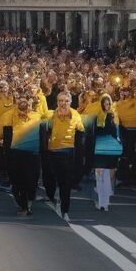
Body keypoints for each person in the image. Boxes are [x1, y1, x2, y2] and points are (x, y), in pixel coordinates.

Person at [0, 92, 45, 216]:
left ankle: (27, 205)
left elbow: (42, 135)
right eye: (19, 98)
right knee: (17, 182)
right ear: (15, 101)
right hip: (15, 153)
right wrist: (5, 152)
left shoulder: (37, 116)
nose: (22, 101)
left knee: (31, 181)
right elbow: (4, 135)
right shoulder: (9, 116)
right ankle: (22, 204)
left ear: (30, 101)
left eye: (25, 98)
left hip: (32, 154)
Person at [45, 91, 84, 222]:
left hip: (68, 152)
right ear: (57, 102)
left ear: (70, 102)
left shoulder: (75, 114)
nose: (63, 103)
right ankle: (55, 197)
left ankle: (65, 210)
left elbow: (80, 132)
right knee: (54, 179)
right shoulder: (52, 115)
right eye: (61, 101)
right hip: (53, 152)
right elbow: (46, 131)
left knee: (66, 183)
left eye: (66, 101)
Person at [91, 94, 121, 211]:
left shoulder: (113, 116)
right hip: (99, 148)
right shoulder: (98, 117)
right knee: (99, 175)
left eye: (108, 103)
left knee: (108, 176)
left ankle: (105, 203)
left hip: (110, 149)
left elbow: (115, 134)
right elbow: (95, 134)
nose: (106, 106)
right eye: (104, 103)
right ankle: (101, 201)